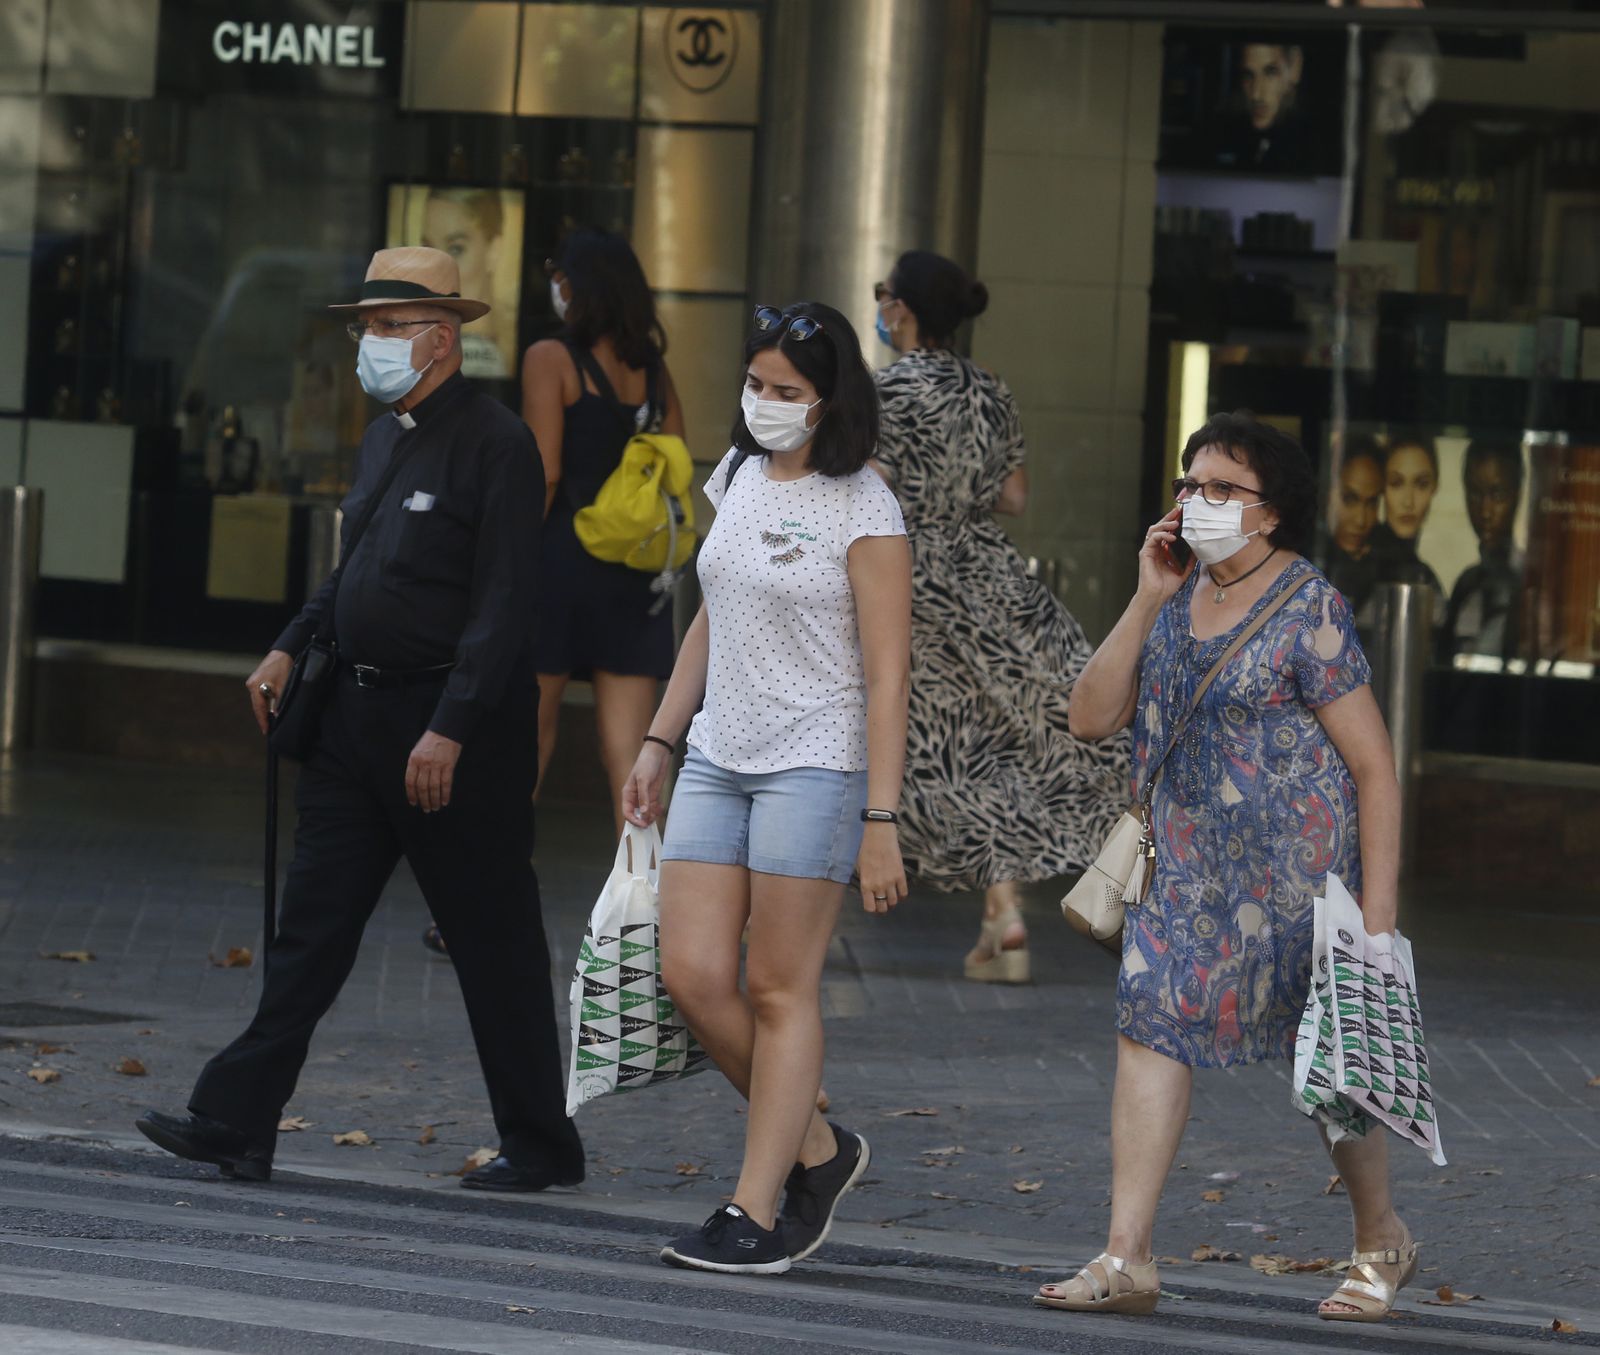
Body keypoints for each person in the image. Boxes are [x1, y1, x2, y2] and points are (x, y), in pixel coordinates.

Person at [135, 247, 585, 1195]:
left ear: (439, 337)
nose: (369, 344)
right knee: (311, 928)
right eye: (365, 327)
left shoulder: (498, 444)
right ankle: (238, 1120)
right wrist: (292, 642)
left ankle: (541, 1143)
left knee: (492, 940)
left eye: (385, 328)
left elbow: (506, 606)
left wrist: (453, 726)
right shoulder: (386, 439)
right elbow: (353, 573)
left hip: (451, 736)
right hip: (356, 721)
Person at [1041, 412, 1414, 1322]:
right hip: (1184, 876)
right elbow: (1089, 716)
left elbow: (1374, 766)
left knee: (1331, 1066)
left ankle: (1381, 1237)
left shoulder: (1309, 606)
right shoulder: (1172, 592)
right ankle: (1127, 1253)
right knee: (1149, 1025)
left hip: (1298, 882)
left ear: (1270, 511)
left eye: (1219, 489)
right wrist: (1143, 597)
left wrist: (1377, 912)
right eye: (1188, 484)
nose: (1194, 502)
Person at [622, 302, 910, 1275]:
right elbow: (716, 610)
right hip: (716, 752)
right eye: (755, 384)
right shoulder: (738, 472)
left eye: (785, 391)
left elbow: (887, 672)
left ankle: (755, 1208)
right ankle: (818, 1150)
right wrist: (661, 737)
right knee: (693, 975)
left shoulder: (865, 504)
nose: (764, 403)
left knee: (778, 987)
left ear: (831, 401)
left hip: (814, 764)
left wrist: (880, 815)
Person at [870, 251, 1128, 983]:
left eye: (883, 295)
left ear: (903, 309)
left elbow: (866, 479)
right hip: (989, 575)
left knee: (937, 743)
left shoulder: (882, 391)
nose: (880, 307)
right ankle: (1002, 913)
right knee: (1001, 737)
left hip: (907, 576)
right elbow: (1014, 496)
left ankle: (781, 898)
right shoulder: (991, 389)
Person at [523, 227, 686, 831]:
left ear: (579, 285)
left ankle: (482, 907)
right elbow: (676, 462)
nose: (556, 290)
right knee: (631, 755)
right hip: (633, 571)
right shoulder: (654, 370)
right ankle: (642, 909)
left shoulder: (550, 359)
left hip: (560, 563)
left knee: (527, 742)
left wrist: (506, 561)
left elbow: (544, 472)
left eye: (559, 278)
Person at [1443, 439, 1524, 660]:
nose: (1485, 512)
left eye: (1498, 496)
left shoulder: (1529, 582)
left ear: (1517, 494)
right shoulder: (1467, 585)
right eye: (1475, 494)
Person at [421, 188, 511, 379]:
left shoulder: (516, 347)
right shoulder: (413, 341)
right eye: (428, 249)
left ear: (493, 250)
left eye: (456, 249)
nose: (437, 267)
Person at [1370, 431, 1445, 606]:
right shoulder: (1364, 563)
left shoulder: (1424, 576)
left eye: (1421, 484)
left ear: (1434, 487)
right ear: (1382, 488)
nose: (1408, 502)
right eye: (1396, 483)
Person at [1215, 39, 1312, 171]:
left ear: (1295, 67)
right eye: (1248, 75)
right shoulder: (1226, 135)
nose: (1256, 95)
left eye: (1270, 72)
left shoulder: (1310, 147)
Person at [1318, 437, 1384, 619]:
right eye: (1349, 499)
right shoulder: (1305, 556)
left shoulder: (1390, 562)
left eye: (1371, 503)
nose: (1361, 520)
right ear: (1325, 496)